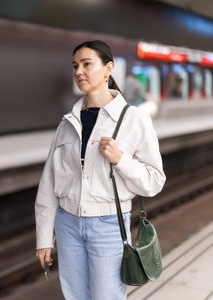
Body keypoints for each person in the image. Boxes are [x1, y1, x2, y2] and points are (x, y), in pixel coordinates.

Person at [35, 40, 166, 300]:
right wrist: (43, 238)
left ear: (108, 69)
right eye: (75, 66)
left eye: (87, 64)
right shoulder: (68, 122)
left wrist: (121, 159)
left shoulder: (134, 119)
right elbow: (49, 183)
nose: (78, 72)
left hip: (108, 225)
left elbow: (154, 181)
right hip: (67, 224)